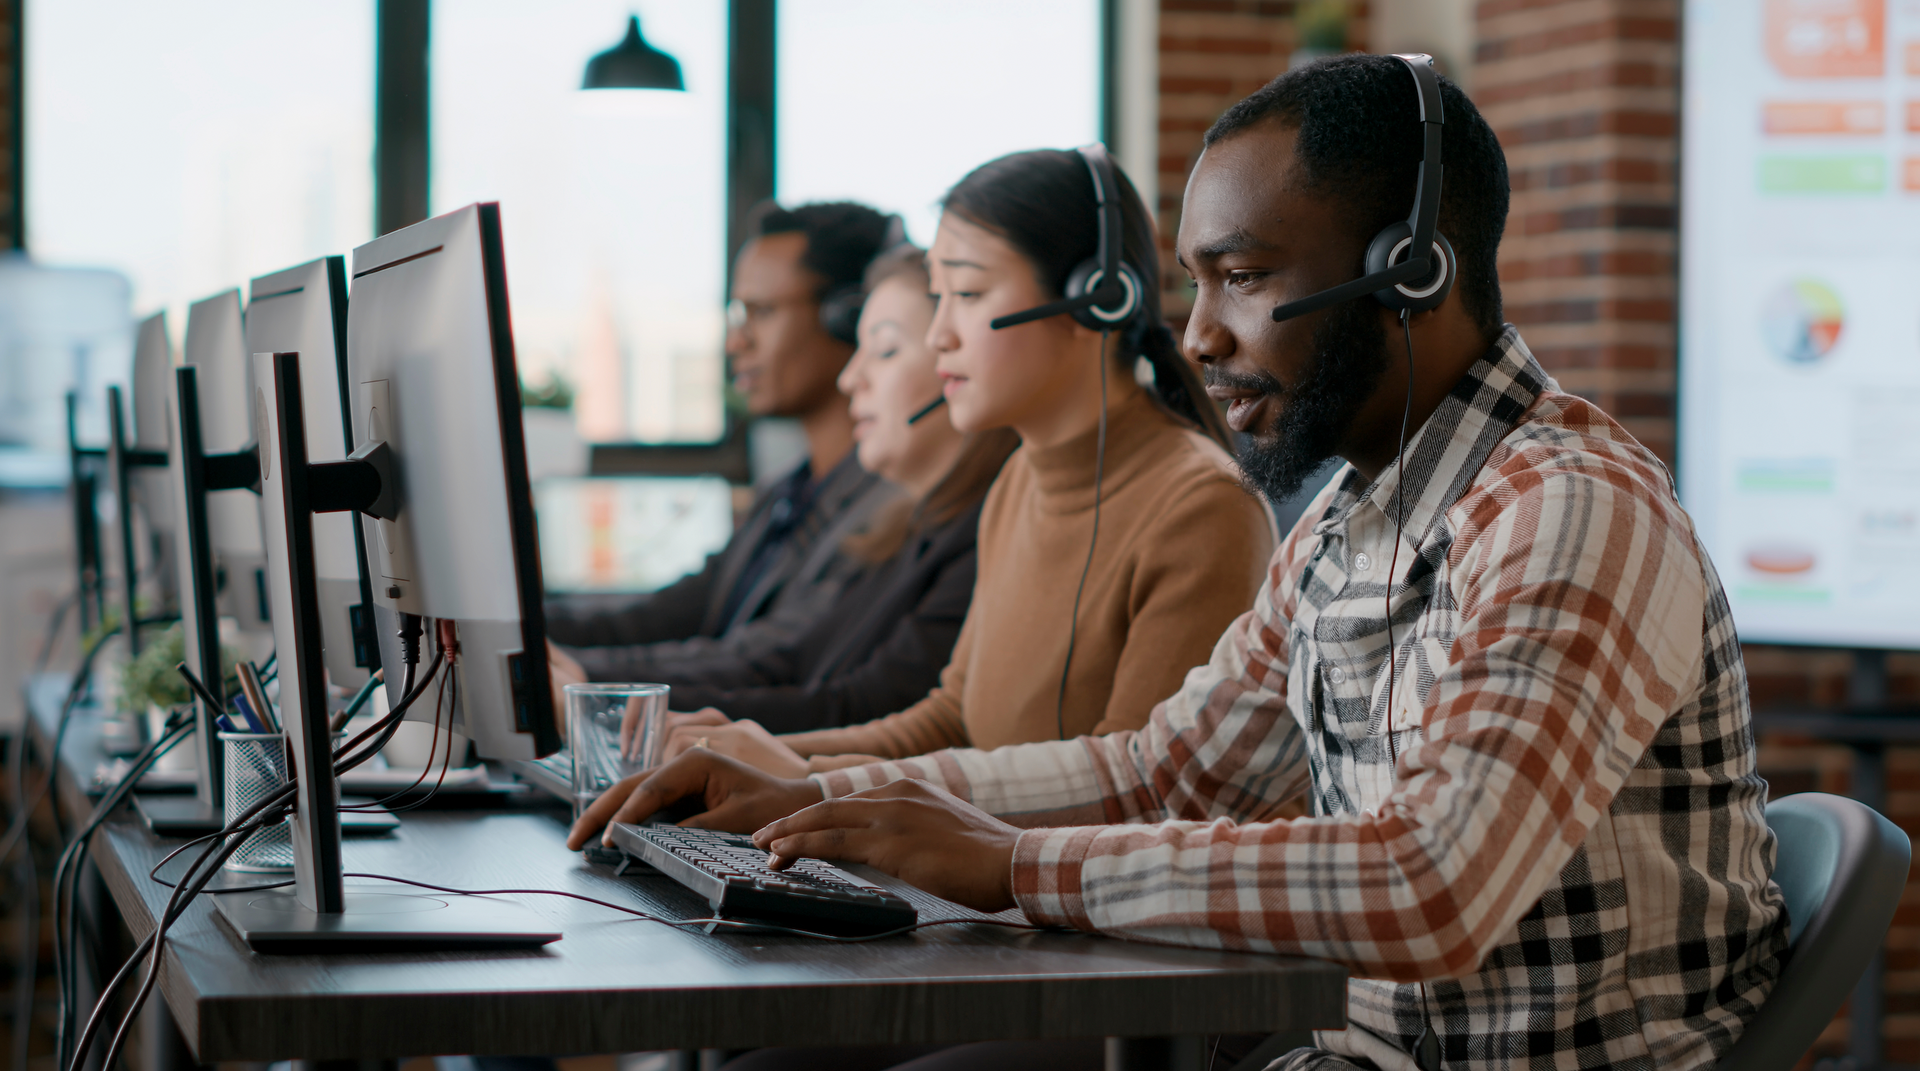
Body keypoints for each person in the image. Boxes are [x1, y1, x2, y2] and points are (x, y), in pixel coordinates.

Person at [572, 55, 1786, 1071]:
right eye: (1197, 282)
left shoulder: (1568, 511)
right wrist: (832, 804)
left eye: (1246, 281)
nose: (1199, 336)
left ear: (1413, 272)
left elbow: (1432, 885)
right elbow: (1168, 772)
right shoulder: (1348, 520)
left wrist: (1010, 866)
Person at [656, 147, 1275, 778]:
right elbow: (951, 721)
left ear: (1096, 299)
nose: (938, 334)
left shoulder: (1202, 509)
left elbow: (1130, 792)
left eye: (970, 292)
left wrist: (809, 783)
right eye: (938, 295)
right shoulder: (1018, 482)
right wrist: (762, 755)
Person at [650, 244, 1020, 731]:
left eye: (885, 351)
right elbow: (797, 668)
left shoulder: (984, 536)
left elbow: (861, 704)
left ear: (956, 370)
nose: (851, 379)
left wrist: (637, 712)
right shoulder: (893, 529)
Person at [546, 202, 901, 700]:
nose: (736, 342)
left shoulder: (893, 505)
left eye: (762, 312)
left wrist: (570, 677)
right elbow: (662, 616)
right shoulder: (787, 493)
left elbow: (769, 659)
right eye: (739, 314)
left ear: (849, 318)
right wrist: (505, 631)